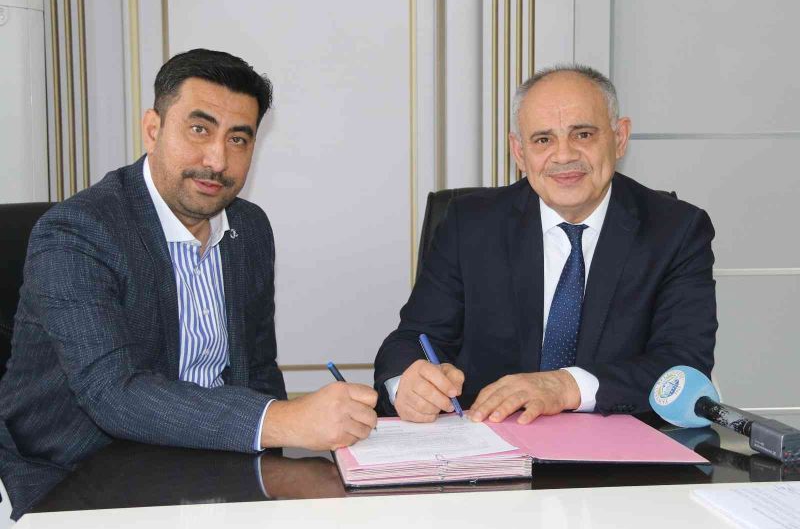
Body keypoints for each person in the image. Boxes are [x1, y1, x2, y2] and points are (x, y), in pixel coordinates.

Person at [0, 49, 378, 512]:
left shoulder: (249, 229)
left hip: (214, 468)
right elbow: (112, 394)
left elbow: (257, 371)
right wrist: (283, 421)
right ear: (153, 129)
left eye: (238, 139)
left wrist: (275, 490)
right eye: (199, 129)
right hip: (79, 475)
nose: (217, 160)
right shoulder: (78, 232)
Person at [374, 64, 716, 425]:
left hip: (619, 446)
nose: (564, 155)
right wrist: (407, 385)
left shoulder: (676, 230)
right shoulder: (469, 224)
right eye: (543, 140)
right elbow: (413, 340)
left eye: (583, 134)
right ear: (518, 151)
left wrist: (566, 386)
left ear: (619, 138)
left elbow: (683, 366)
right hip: (491, 441)